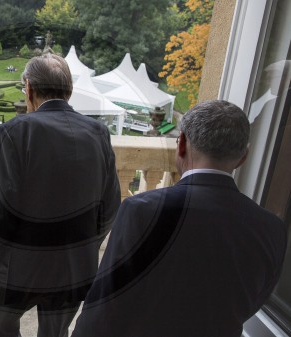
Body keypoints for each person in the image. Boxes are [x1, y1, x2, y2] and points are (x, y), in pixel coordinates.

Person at [71, 100, 287, 337]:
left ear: (181, 144)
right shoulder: (272, 228)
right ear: (243, 157)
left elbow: (105, 303)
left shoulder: (142, 210)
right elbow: (254, 300)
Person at [0, 53, 121, 337]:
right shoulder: (99, 132)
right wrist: (85, 245)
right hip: (74, 265)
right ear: (69, 90)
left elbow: (1, 209)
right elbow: (111, 205)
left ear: (28, 88)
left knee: (0, 330)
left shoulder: (14, 131)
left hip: (17, 266)